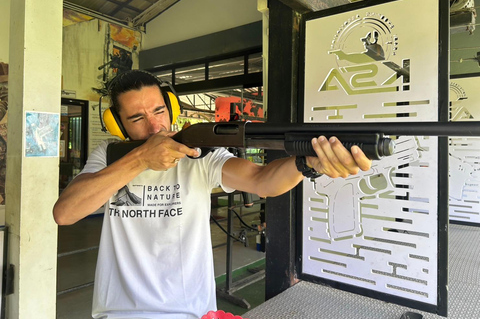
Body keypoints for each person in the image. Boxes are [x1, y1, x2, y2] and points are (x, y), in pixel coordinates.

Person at [53, 70, 372, 319]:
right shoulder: (109, 154)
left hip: (194, 310)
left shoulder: (199, 154)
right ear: (117, 125)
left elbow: (262, 180)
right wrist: (139, 159)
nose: (154, 126)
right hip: (120, 312)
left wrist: (307, 162)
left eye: (158, 111)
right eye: (137, 118)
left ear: (171, 108)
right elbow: (65, 213)